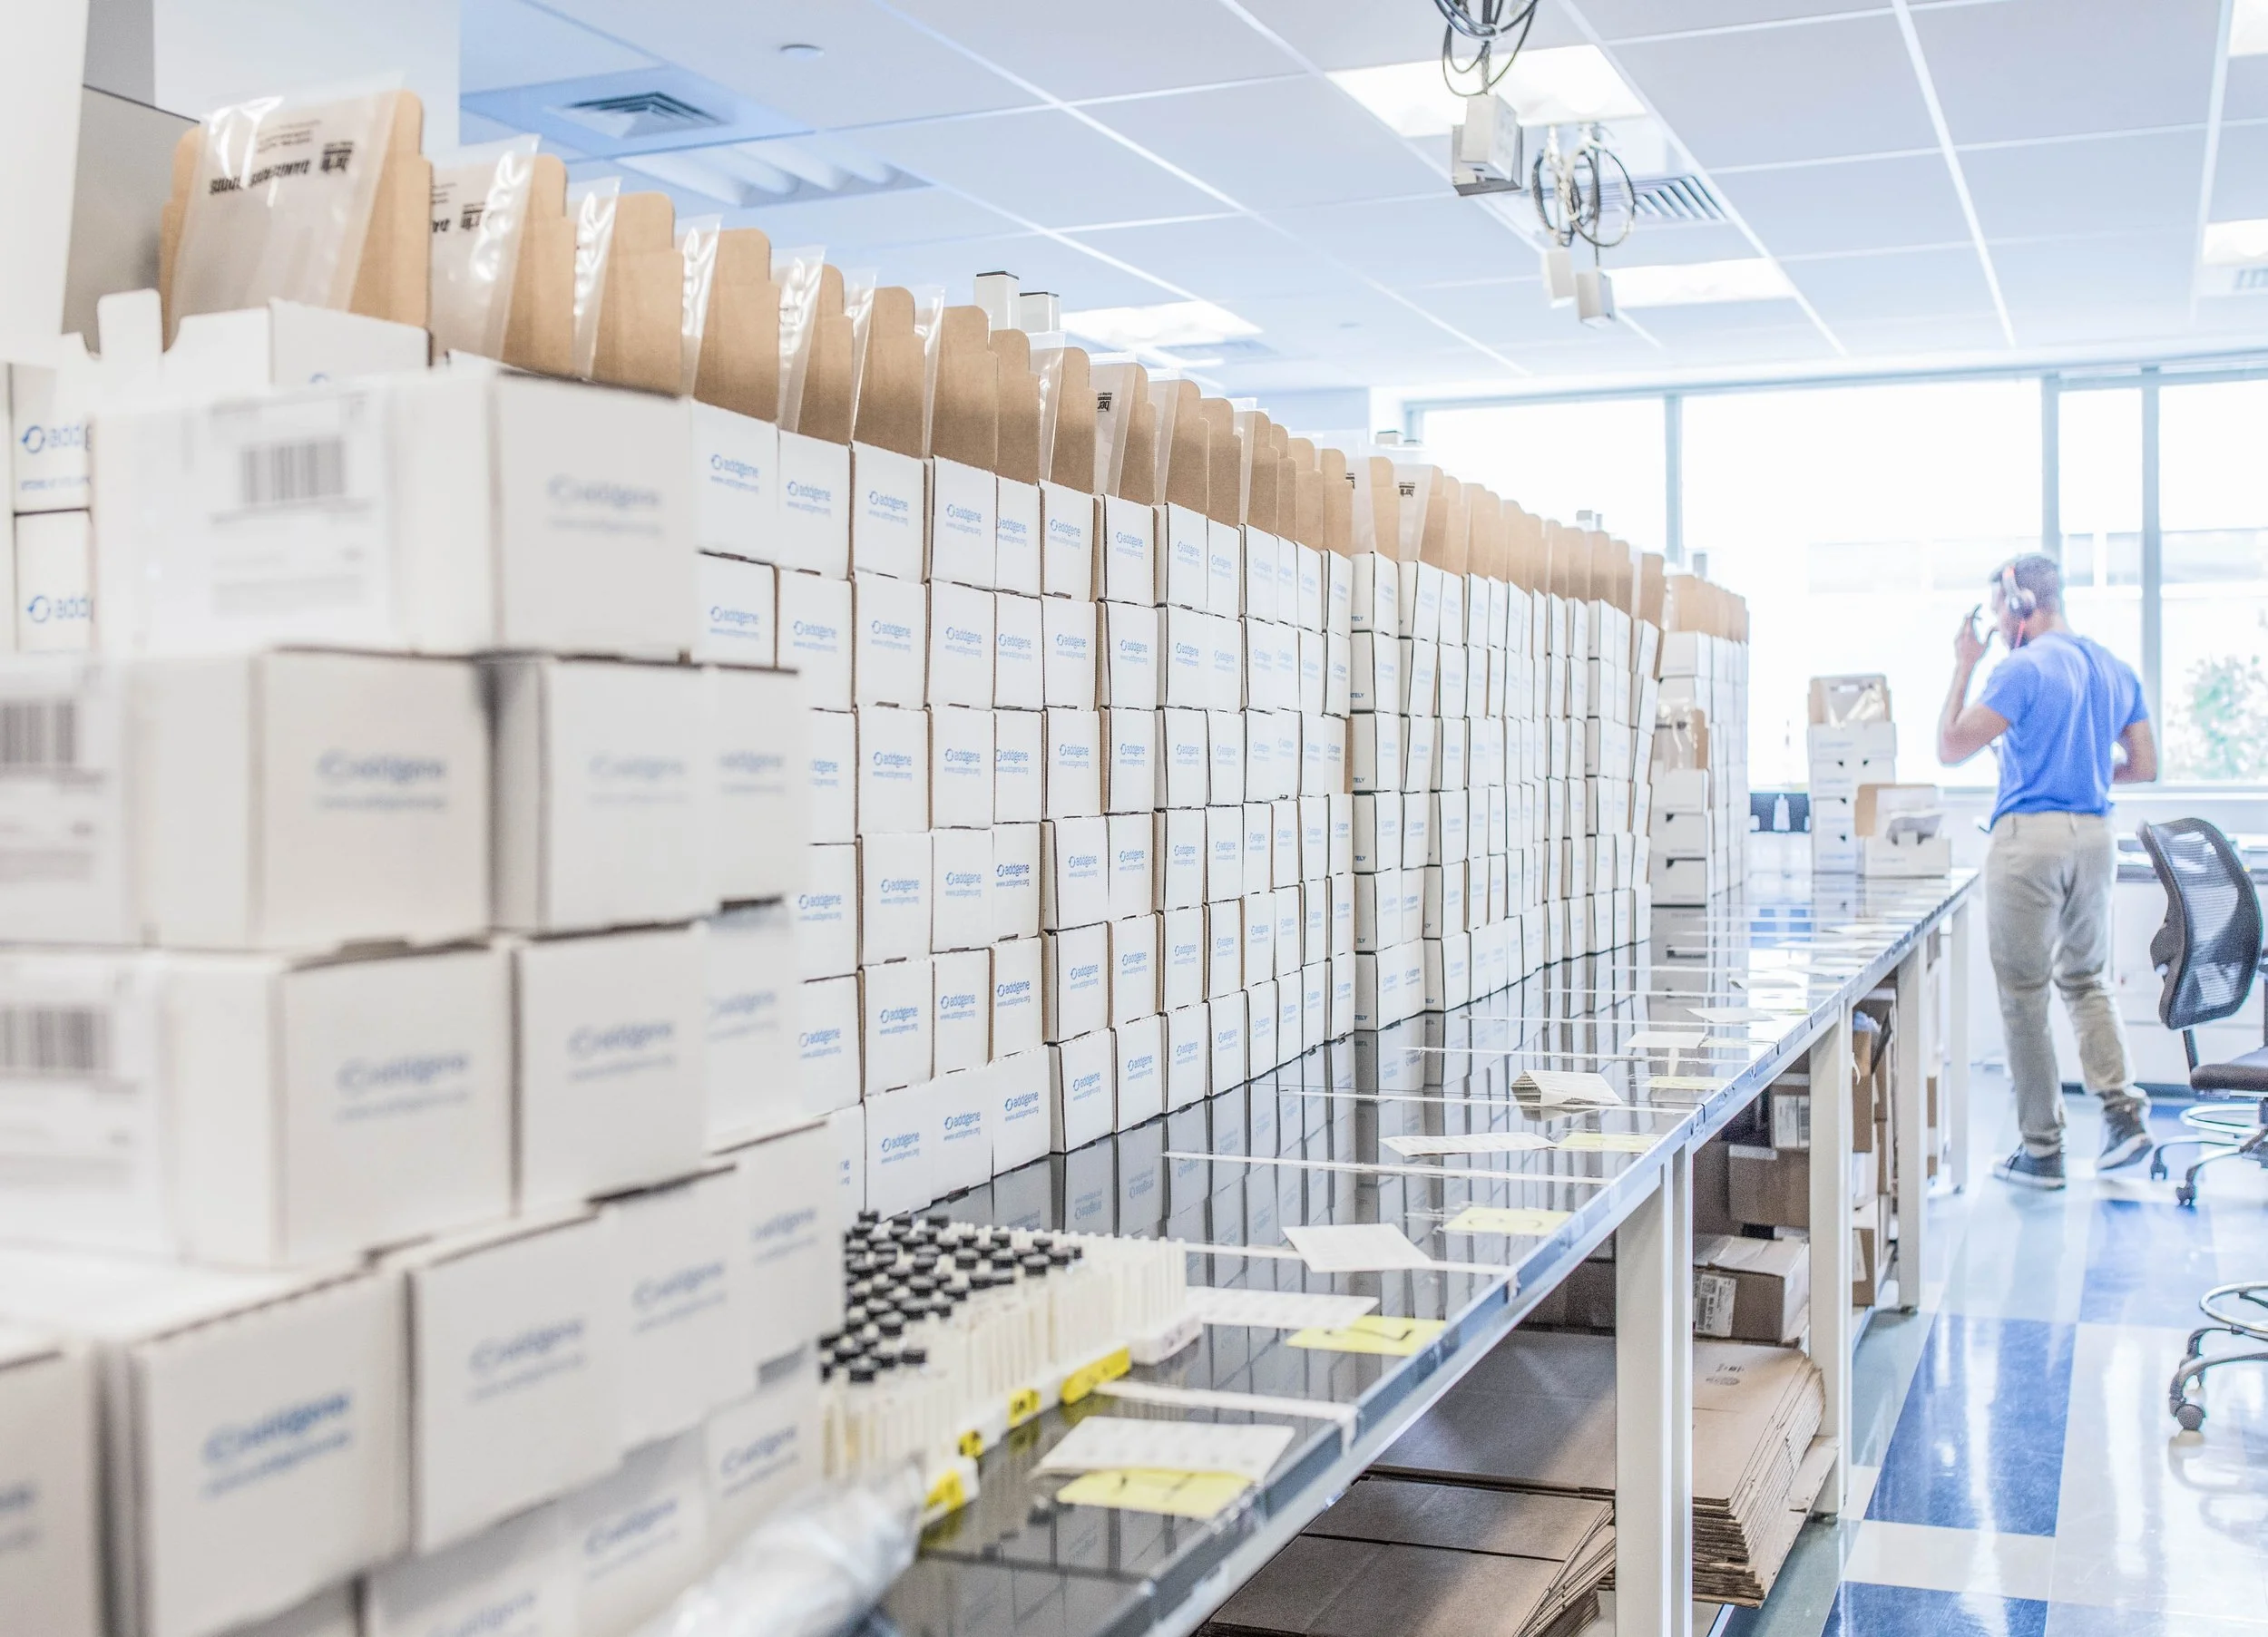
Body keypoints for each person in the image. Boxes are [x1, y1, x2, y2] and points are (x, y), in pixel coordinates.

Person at [1940, 552, 2157, 1189]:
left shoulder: (2022, 667)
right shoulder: (2111, 666)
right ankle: (2123, 1116)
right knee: (2087, 980)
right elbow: (2144, 765)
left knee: (2024, 995)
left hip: (2029, 841)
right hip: (2095, 837)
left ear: (2021, 605)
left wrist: (1964, 664)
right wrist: (2080, 770)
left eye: (1998, 610)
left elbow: (1951, 746)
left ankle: (2042, 1149)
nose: (1995, 625)